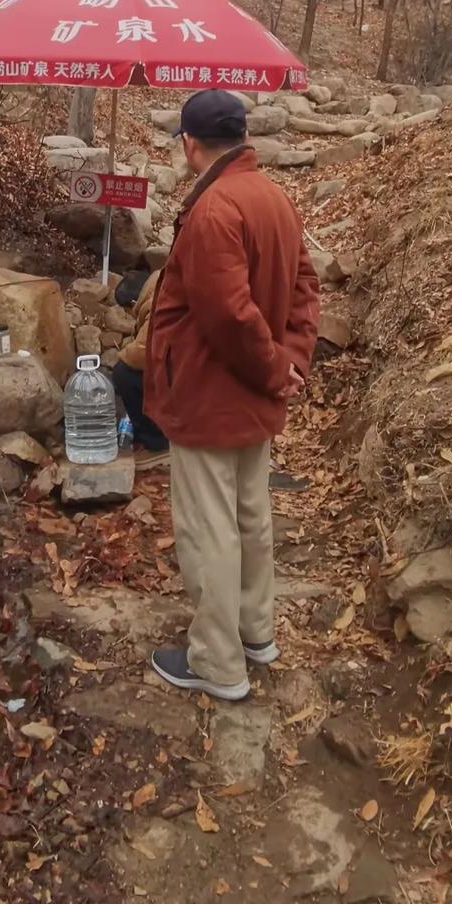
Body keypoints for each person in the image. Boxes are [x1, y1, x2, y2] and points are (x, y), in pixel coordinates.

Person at [144, 88, 320, 702]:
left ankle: (219, 663)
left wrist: (277, 367)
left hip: (210, 394)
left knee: (210, 527)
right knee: (250, 513)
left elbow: (230, 316)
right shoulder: (273, 196)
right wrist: (293, 358)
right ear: (242, 138)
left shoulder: (216, 208)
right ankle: (255, 631)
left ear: (191, 145)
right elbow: (304, 284)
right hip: (251, 395)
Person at [109, 269, 169, 453]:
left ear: (134, 303)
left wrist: (121, 356)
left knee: (123, 374)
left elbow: (143, 353)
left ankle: (155, 441)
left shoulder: (156, 304)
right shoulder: (163, 282)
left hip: (189, 377)